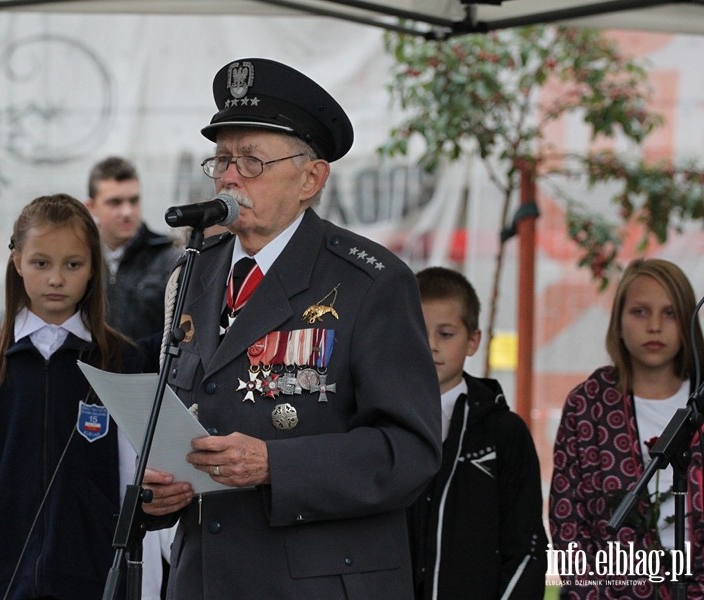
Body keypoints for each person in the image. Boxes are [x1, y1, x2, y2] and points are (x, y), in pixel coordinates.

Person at [140, 58, 441, 599]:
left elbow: (410, 453)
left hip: (314, 583)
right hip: (205, 578)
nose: (230, 176)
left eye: (251, 161)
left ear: (311, 178)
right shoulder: (195, 271)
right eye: (223, 159)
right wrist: (161, 491)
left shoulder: (370, 282)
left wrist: (275, 464)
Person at [0, 194, 164, 599]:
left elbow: (136, 488)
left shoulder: (123, 362)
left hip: (93, 579)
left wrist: (144, 591)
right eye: (41, 263)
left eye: (72, 264)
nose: (56, 278)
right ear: (18, 262)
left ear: (92, 268)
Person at [550, 258, 704, 598]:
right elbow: (569, 523)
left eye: (670, 313)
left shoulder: (701, 398)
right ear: (618, 323)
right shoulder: (587, 405)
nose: (654, 326)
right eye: (640, 311)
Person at [408, 266, 547, 599]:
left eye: (446, 333)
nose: (431, 345)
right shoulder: (377, 423)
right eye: (418, 330)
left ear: (473, 341)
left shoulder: (505, 432)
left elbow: (526, 545)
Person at [85, 156, 181, 340]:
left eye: (134, 201)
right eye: (115, 202)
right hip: (89, 367)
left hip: (150, 368)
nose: (127, 212)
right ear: (91, 207)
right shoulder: (79, 259)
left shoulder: (170, 259)